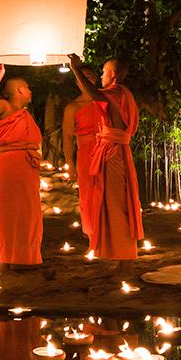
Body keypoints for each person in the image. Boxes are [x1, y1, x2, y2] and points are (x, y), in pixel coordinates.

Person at [68, 54, 143, 279]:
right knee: (111, 205)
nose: (101, 75)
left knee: (119, 206)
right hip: (110, 151)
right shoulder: (117, 94)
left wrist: (75, 69)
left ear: (115, 75)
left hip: (114, 154)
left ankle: (127, 262)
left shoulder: (117, 92)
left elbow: (93, 94)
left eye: (104, 71)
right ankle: (121, 260)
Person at [0, 64, 43, 275]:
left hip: (27, 164)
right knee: (7, 211)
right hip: (10, 164)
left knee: (26, 211)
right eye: (27, 87)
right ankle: (3, 263)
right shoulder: (6, 108)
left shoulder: (24, 114)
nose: (31, 91)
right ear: (19, 90)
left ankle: (19, 258)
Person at [62, 66, 102, 238]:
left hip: (105, 150)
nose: (87, 80)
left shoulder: (103, 100)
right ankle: (93, 232)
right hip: (86, 153)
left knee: (106, 191)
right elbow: (67, 137)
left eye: (90, 76)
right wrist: (70, 164)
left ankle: (107, 230)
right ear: (77, 81)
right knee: (89, 193)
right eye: (83, 77)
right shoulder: (73, 107)